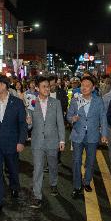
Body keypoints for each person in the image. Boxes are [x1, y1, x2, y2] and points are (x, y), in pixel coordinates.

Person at [0, 74, 27, 220]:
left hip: (12, 144)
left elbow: (22, 124)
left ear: (4, 85)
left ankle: (14, 187)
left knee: (13, 170)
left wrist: (21, 141)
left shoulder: (17, 102)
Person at [26, 76, 65, 209]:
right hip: (37, 141)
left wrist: (62, 140)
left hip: (52, 140)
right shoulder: (31, 103)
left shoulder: (55, 103)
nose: (47, 88)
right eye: (44, 86)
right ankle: (37, 196)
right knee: (37, 168)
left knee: (53, 165)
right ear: (37, 88)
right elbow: (28, 126)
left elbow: (60, 123)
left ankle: (53, 183)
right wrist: (28, 123)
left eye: (48, 86)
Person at [67, 76, 108, 199]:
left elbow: (103, 118)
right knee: (76, 161)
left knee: (90, 161)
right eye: (82, 85)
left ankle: (87, 182)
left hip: (92, 135)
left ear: (93, 88)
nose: (84, 88)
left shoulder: (98, 100)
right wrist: (71, 119)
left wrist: (104, 134)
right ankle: (77, 186)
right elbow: (69, 115)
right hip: (77, 135)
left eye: (87, 85)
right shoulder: (75, 100)